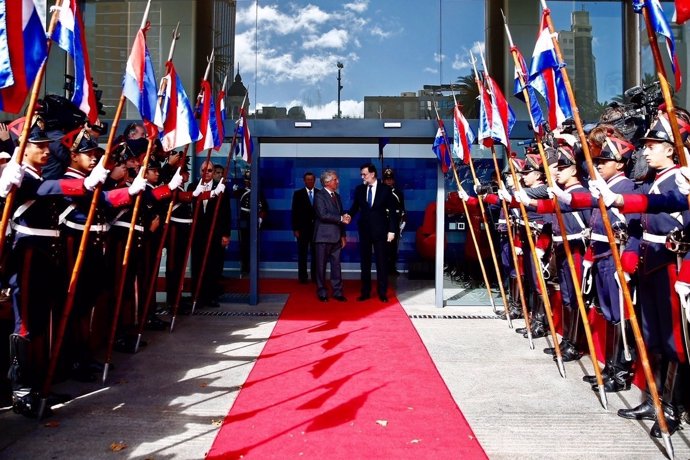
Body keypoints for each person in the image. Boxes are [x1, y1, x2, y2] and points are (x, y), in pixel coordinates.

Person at [346, 162, 397, 302]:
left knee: (381, 263)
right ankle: (366, 292)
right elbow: (355, 207)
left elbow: (393, 212)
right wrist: (348, 215)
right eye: (361, 174)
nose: (363, 177)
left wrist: (392, 230)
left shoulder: (385, 189)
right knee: (365, 263)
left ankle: (382, 292)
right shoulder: (360, 189)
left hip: (381, 231)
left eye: (365, 174)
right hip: (365, 232)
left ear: (373, 174)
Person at [189, 160, 230, 307]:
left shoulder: (221, 188)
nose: (206, 173)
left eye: (210, 170)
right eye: (203, 170)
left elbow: (226, 213)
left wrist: (226, 234)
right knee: (198, 265)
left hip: (215, 233)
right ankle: (197, 297)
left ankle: (211, 297)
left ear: (214, 172)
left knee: (213, 266)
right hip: (198, 233)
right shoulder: (193, 187)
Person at [313, 170, 349, 302]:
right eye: (335, 179)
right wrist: (341, 218)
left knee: (336, 266)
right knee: (321, 266)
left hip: (336, 238)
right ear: (327, 182)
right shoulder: (319, 196)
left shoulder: (337, 196)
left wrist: (343, 235)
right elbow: (323, 215)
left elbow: (340, 218)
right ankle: (322, 292)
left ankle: (338, 292)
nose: (338, 181)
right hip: (323, 237)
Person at [291, 171, 319, 283]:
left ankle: (315, 277)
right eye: (307, 179)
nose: (310, 181)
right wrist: (295, 229)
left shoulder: (320, 193)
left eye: (311, 179)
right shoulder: (298, 194)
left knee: (316, 254)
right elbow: (294, 212)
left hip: (316, 230)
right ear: (304, 181)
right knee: (302, 254)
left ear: (314, 180)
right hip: (302, 230)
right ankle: (302, 277)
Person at [239, 169, 267, 275]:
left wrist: (260, 218)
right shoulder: (241, 191)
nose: (249, 182)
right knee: (244, 245)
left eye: (250, 180)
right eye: (247, 180)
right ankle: (245, 267)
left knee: (253, 245)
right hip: (244, 219)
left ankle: (253, 267)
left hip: (254, 219)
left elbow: (264, 207)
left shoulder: (258, 192)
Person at [382, 167, 405, 275]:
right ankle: (383, 268)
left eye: (390, 179)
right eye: (387, 179)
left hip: (394, 222)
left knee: (393, 247)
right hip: (383, 223)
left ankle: (392, 268)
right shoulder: (379, 192)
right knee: (383, 247)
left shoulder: (398, 193)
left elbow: (402, 208)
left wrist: (403, 219)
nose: (389, 181)